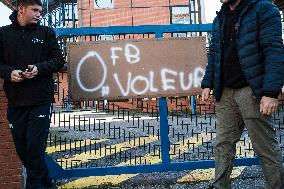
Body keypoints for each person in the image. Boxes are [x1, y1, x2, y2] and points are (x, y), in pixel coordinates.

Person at [201, 0, 284, 188]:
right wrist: (208, 83)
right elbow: (214, 54)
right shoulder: (220, 17)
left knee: (265, 148)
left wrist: (270, 92)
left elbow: (274, 50)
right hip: (225, 92)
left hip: (252, 91)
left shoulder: (263, 9)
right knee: (223, 145)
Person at [0, 0, 65, 188]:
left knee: (35, 151)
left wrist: (38, 68)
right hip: (16, 102)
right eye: (35, 10)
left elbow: (58, 61)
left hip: (40, 101)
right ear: (21, 9)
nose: (39, 14)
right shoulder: (3, 34)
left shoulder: (46, 33)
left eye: (40, 11)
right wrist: (8, 73)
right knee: (24, 152)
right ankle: (48, 184)